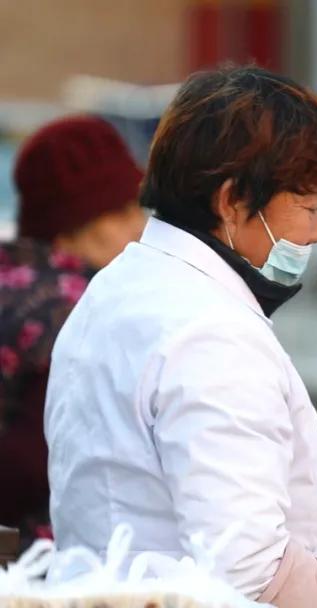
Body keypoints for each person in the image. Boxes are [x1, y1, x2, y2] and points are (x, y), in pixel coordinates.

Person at [45, 66, 317, 607]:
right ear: (232, 202)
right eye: (308, 207)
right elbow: (248, 567)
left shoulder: (118, 286)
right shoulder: (211, 333)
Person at [0, 115, 145, 545]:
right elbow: (35, 462)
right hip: (45, 557)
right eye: (118, 212)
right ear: (67, 228)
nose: (140, 225)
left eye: (138, 206)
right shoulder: (76, 308)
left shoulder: (14, 280)